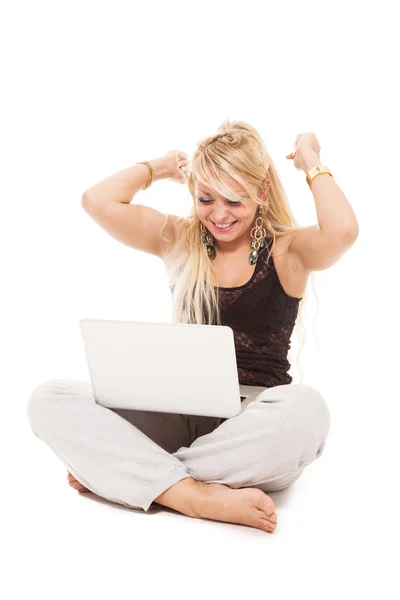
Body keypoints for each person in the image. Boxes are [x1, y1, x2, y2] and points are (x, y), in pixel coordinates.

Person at [26, 120, 359, 534]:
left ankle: (135, 476)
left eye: (235, 201)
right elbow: (97, 201)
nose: (219, 215)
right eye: (206, 198)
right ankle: (193, 495)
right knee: (49, 398)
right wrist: (161, 167)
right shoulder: (179, 239)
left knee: (309, 411)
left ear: (262, 192)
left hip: (254, 425)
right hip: (181, 412)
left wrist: (311, 160)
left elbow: (343, 231)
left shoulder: (287, 250)